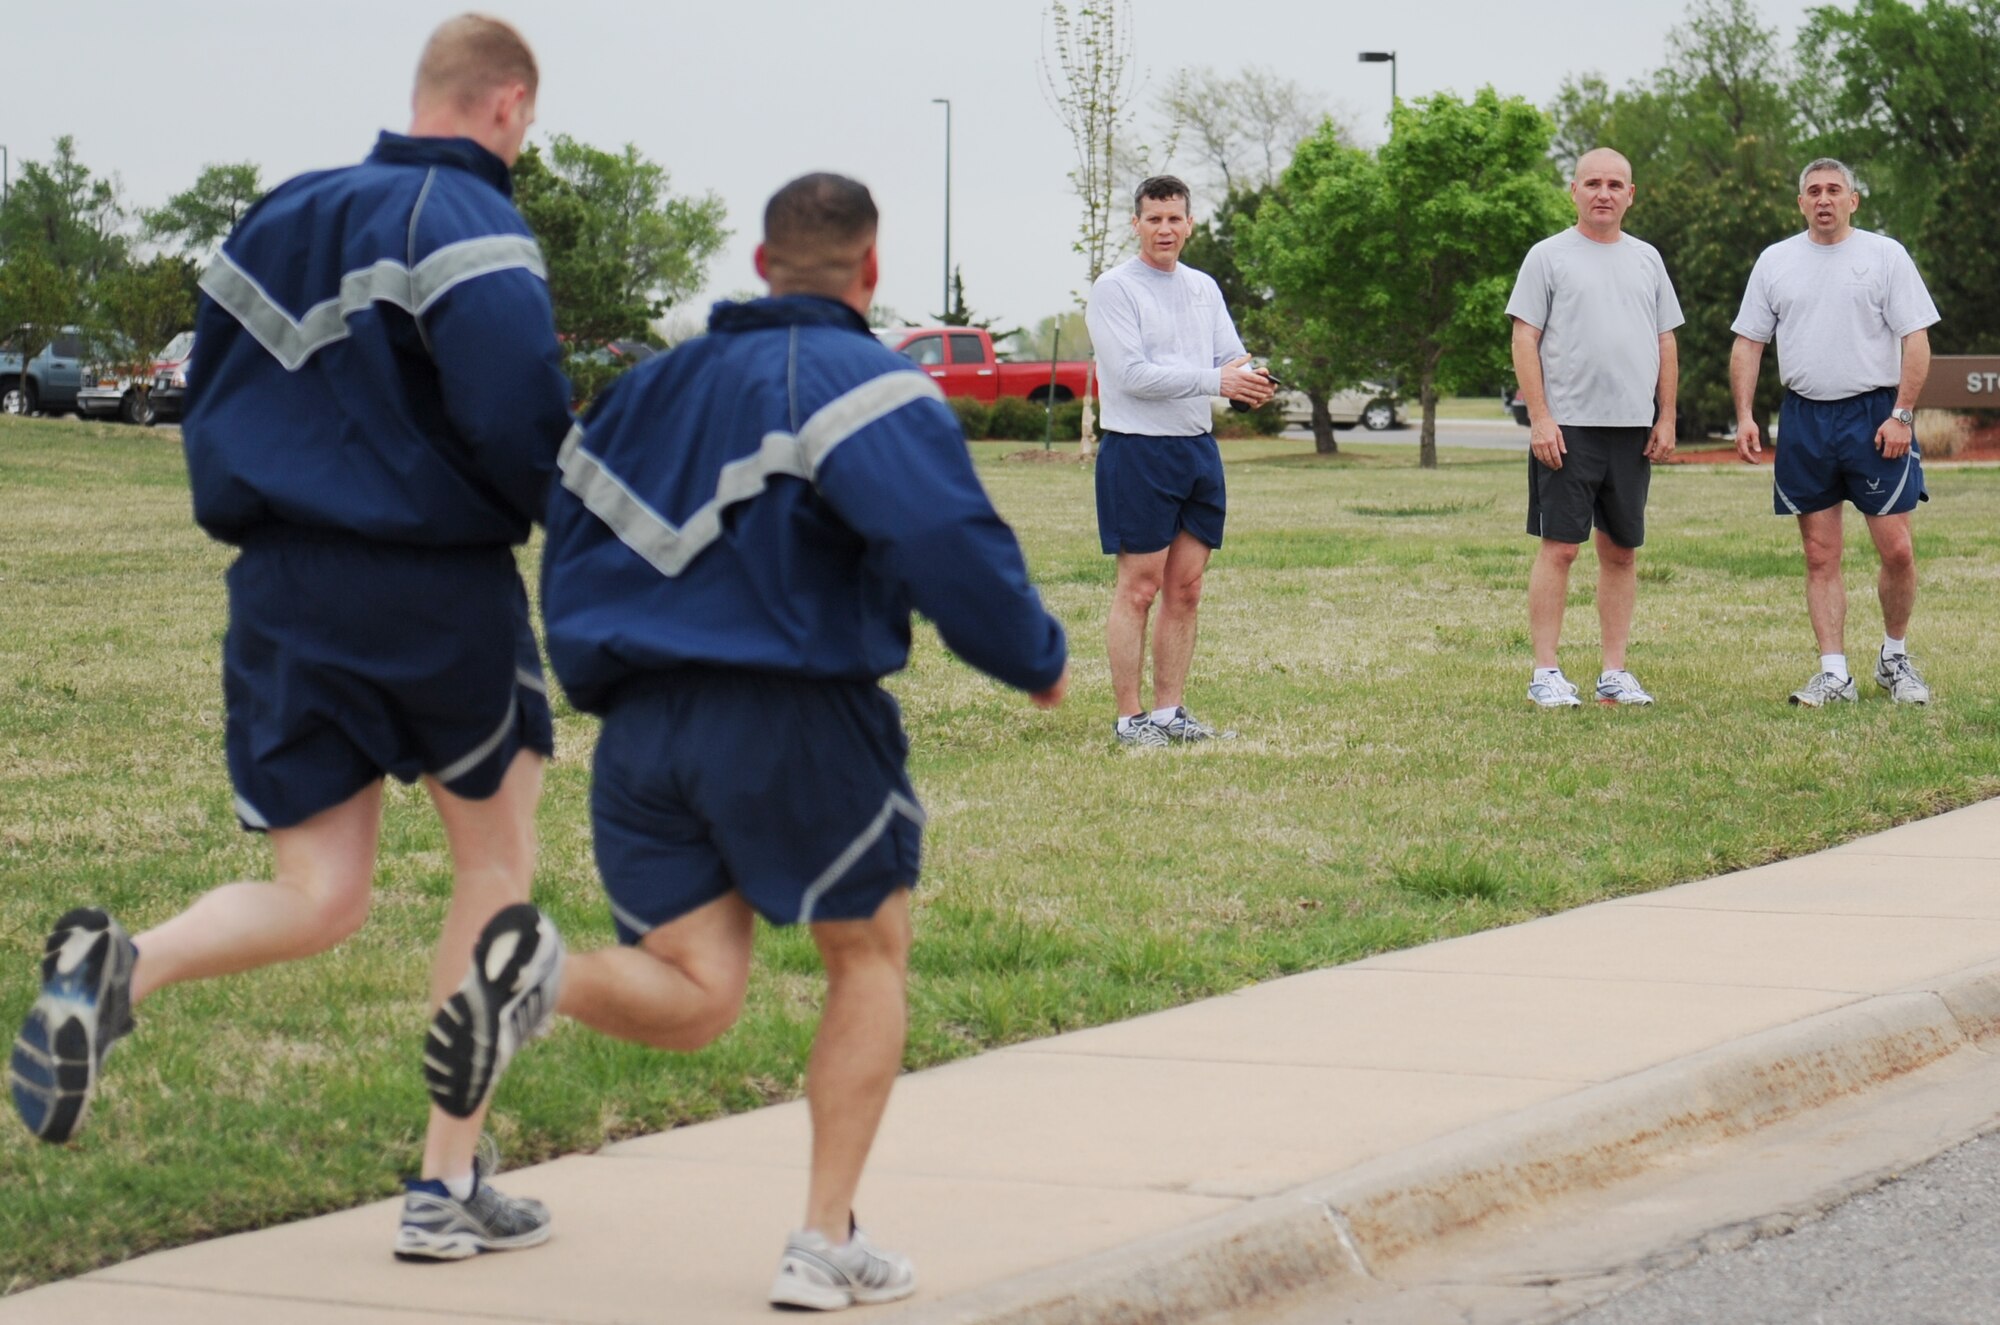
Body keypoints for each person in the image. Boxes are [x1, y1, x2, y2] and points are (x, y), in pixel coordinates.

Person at [420, 173, 1068, 1312]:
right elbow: (942, 534)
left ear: (762, 266)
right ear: (870, 270)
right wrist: (1032, 655)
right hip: (795, 719)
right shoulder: (868, 384)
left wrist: (602, 673)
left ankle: (544, 974)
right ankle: (823, 1241)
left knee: (698, 987)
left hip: (641, 730)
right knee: (866, 954)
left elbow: (567, 533)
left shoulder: (640, 392)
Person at [7, 14, 573, 1262]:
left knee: (317, 893)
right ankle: (445, 1180)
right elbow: (516, 417)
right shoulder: (468, 222)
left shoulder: (274, 217)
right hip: (433, 588)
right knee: (493, 868)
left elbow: (208, 398)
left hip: (279, 587)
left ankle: (120, 969)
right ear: (505, 103)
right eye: (527, 119)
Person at [1730, 157, 1940, 707]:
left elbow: (1916, 340)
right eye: (1814, 191)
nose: (1824, 199)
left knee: (1897, 549)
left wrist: (1902, 414)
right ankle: (1834, 674)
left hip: (1875, 416)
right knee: (1820, 554)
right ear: (1801, 202)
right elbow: (1749, 343)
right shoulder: (1776, 261)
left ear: (1853, 199)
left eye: (1834, 189)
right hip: (1805, 418)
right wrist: (1745, 414)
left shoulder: (1885, 255)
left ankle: (1895, 659)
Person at [1086, 174, 1271, 747]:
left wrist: (1252, 378)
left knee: (1185, 588)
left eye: (1174, 219)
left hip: (1196, 449)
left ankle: (1170, 715)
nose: (1164, 229)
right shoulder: (1115, 289)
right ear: (1136, 224)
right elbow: (1131, 376)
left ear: (1190, 224)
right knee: (1139, 589)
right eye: (1154, 219)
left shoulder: (1202, 287)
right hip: (1138, 450)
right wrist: (1218, 381)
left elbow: (1230, 356)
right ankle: (1131, 720)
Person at [1506, 147, 1684, 709]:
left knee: (1622, 552)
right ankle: (1546, 673)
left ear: (1631, 194)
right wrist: (1540, 418)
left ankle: (1614, 673)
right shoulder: (1547, 256)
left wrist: (1666, 416)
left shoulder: (1647, 259)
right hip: (1568, 430)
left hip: (1631, 431)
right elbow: (1524, 338)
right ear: (1574, 191)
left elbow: (1665, 340)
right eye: (1592, 183)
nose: (1603, 193)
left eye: (1614, 184)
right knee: (1561, 549)